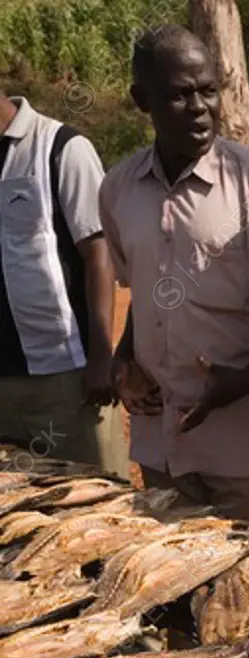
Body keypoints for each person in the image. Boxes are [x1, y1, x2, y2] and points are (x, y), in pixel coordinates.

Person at [100, 24, 249, 523]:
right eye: (179, 94)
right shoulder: (118, 190)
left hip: (248, 447)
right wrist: (124, 357)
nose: (199, 107)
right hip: (164, 447)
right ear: (141, 100)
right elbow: (144, 295)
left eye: (208, 90)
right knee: (176, 592)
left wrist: (243, 381)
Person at [0, 92, 129, 477]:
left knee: (96, 508)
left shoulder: (60, 148)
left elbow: (98, 253)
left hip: (66, 380)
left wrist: (102, 356)